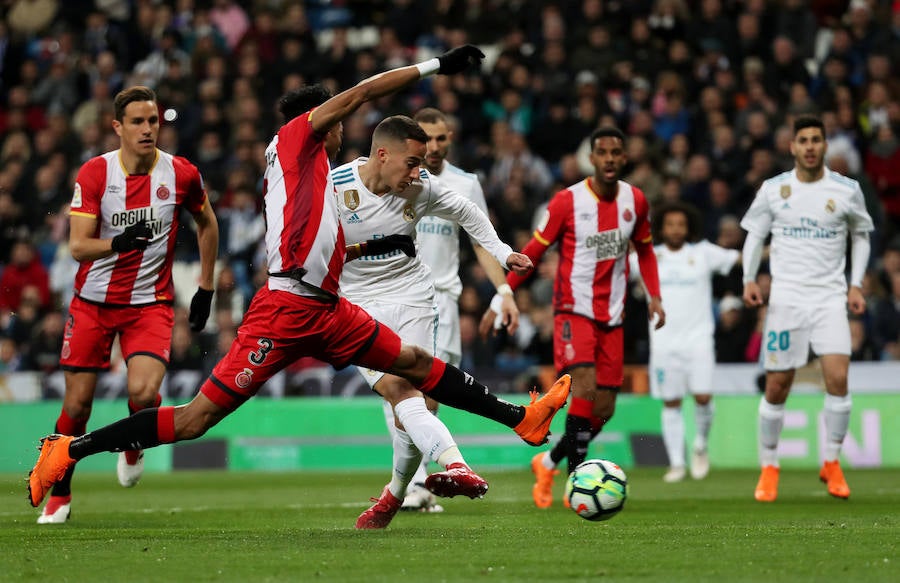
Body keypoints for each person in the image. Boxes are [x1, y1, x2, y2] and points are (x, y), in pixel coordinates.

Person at [27, 46, 571, 529]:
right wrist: (433, 66)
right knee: (196, 419)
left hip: (330, 310)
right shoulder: (297, 140)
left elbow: (314, 234)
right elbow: (362, 92)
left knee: (413, 364)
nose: (343, 127)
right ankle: (70, 449)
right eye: (336, 121)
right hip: (284, 310)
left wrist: (357, 250)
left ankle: (520, 418)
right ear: (321, 124)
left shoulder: (312, 173)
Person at [333, 114, 531, 524]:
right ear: (382, 154)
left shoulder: (421, 187)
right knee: (397, 389)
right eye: (411, 162)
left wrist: (503, 251)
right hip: (358, 304)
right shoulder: (334, 188)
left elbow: (468, 213)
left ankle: (407, 490)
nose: (419, 171)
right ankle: (433, 475)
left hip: (415, 296)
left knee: (414, 395)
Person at [36, 86, 220, 524]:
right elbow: (79, 247)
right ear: (117, 127)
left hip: (149, 305)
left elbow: (207, 222)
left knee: (141, 392)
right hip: (92, 304)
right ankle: (60, 492)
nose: (147, 129)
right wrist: (117, 242)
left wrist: (206, 288)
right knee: (78, 406)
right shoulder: (96, 174)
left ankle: (133, 441)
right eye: (137, 121)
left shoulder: (180, 173)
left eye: (153, 121)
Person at [481, 127, 665, 508]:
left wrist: (655, 296)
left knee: (604, 407)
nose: (610, 158)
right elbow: (532, 251)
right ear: (592, 159)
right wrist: (504, 292)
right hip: (572, 310)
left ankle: (547, 462)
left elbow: (645, 251)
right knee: (583, 384)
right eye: (603, 152)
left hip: (613, 315)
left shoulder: (636, 201)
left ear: (624, 158)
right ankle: (577, 479)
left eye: (617, 152)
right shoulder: (567, 202)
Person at [391, 107, 521, 512]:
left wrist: (503, 291)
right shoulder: (398, 179)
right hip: (398, 295)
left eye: (441, 138)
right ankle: (413, 485)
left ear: (450, 139)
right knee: (403, 391)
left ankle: (414, 485)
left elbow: (480, 241)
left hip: (443, 300)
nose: (433, 146)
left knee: (428, 398)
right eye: (426, 138)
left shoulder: (465, 184)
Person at [741, 115, 873, 502]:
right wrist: (749, 279)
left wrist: (856, 284)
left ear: (825, 145)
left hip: (830, 299)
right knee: (777, 386)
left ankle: (831, 462)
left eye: (817, 139)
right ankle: (769, 467)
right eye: (804, 140)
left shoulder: (847, 190)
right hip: (786, 301)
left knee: (838, 378)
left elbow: (861, 237)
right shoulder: (774, 189)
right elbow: (754, 236)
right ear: (793, 147)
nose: (811, 146)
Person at [631, 202, 740, 483]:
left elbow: (738, 258)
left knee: (703, 396)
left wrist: (777, 250)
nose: (676, 229)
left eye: (680, 224)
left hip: (699, 339)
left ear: (688, 227)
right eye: (670, 224)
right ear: (662, 228)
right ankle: (677, 463)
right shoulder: (648, 257)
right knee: (671, 402)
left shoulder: (703, 253)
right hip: (664, 342)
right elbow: (611, 267)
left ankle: (701, 445)